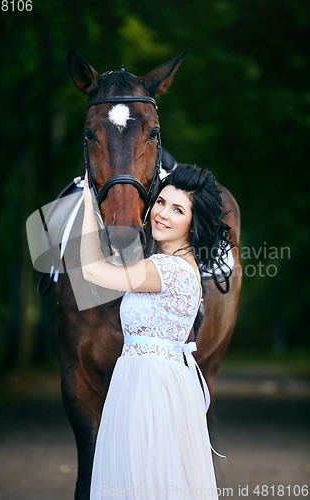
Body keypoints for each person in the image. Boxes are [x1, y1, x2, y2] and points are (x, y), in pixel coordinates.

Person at [80, 164, 233, 499]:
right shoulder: (180, 265)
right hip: (152, 381)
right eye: (161, 202)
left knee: (142, 478)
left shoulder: (167, 269)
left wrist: (89, 199)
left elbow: (92, 270)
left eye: (178, 209)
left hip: (148, 387)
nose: (162, 214)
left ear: (194, 223)